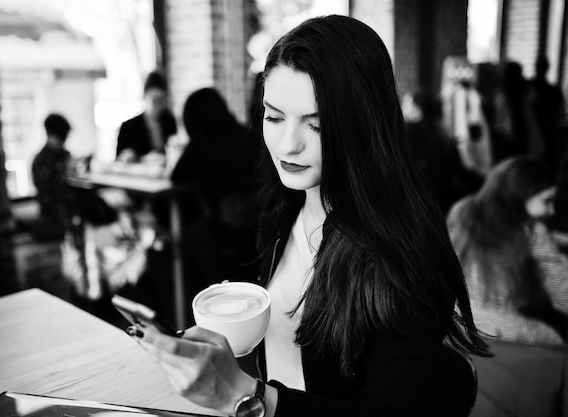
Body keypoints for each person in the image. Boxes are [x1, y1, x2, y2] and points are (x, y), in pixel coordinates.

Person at [128, 15, 490, 417]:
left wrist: (248, 397)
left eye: (316, 126)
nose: (287, 145)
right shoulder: (286, 205)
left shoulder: (402, 249)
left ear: (363, 126)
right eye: (274, 117)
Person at [447, 157, 568, 345]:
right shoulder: (531, 231)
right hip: (498, 327)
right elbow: (562, 291)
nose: (551, 211)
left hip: (455, 320)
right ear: (521, 194)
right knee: (555, 338)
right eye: (547, 201)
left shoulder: (463, 212)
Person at [171, 88, 259, 298]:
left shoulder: (201, 144)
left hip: (222, 231)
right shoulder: (250, 135)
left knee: (186, 235)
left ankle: (196, 301)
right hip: (259, 229)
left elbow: (177, 177)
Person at [116, 70, 177, 162]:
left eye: (162, 100)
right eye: (154, 101)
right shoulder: (129, 127)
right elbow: (118, 160)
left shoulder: (169, 121)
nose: (158, 106)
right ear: (145, 97)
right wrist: (133, 158)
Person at [31, 113, 73, 235]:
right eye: (61, 137)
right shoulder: (41, 159)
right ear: (51, 135)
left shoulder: (65, 155)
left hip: (68, 199)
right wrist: (65, 175)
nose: (63, 142)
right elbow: (46, 189)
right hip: (52, 203)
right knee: (65, 215)